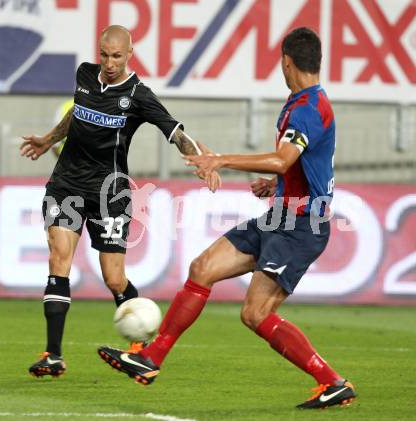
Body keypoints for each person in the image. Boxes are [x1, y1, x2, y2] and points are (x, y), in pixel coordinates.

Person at [97, 27, 356, 409]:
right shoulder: (301, 102)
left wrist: (222, 160)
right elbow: (298, 164)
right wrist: (276, 183)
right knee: (202, 268)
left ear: (287, 61)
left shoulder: (309, 108)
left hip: (302, 226)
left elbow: (285, 157)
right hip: (279, 217)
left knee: (255, 313)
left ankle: (332, 382)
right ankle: (150, 359)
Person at [20, 25, 220, 378]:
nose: (109, 63)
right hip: (66, 184)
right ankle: (53, 354)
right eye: (104, 55)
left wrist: (203, 160)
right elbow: (76, 115)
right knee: (58, 256)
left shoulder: (139, 95)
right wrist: (47, 139)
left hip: (109, 193)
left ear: (130, 53)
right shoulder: (84, 75)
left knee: (114, 278)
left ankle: (139, 351)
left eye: (116, 56)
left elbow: (175, 133)